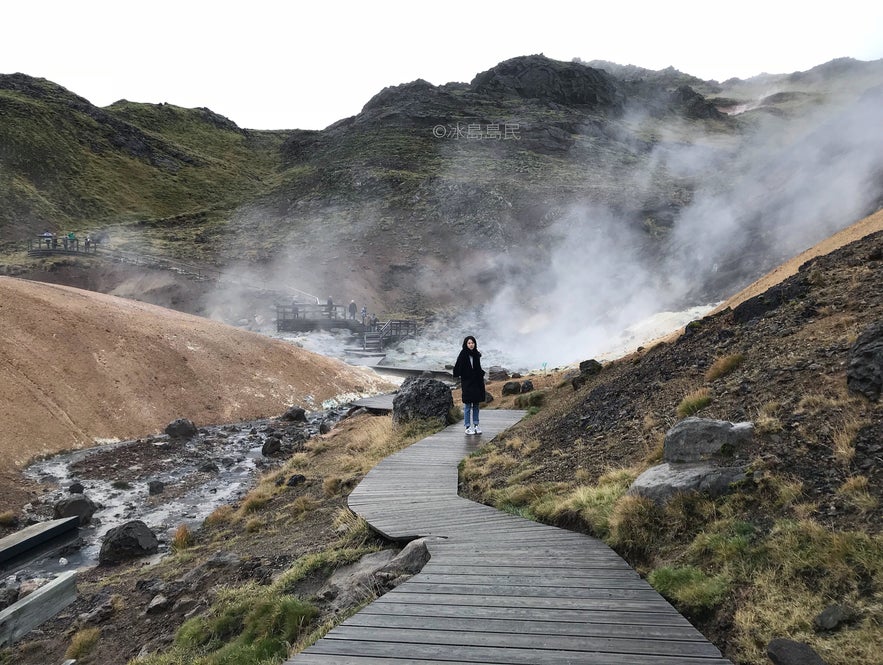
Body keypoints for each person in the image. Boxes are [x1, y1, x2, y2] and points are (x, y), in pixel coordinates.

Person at [453, 335, 486, 435]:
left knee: (476, 404)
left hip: (476, 382)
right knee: (467, 405)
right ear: (466, 344)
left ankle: (476, 425)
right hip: (467, 383)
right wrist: (463, 375)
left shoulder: (476, 354)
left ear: (474, 344)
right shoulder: (463, 354)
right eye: (469, 343)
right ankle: (467, 427)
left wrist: (481, 374)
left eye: (472, 343)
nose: (471, 345)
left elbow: (478, 368)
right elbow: (458, 367)